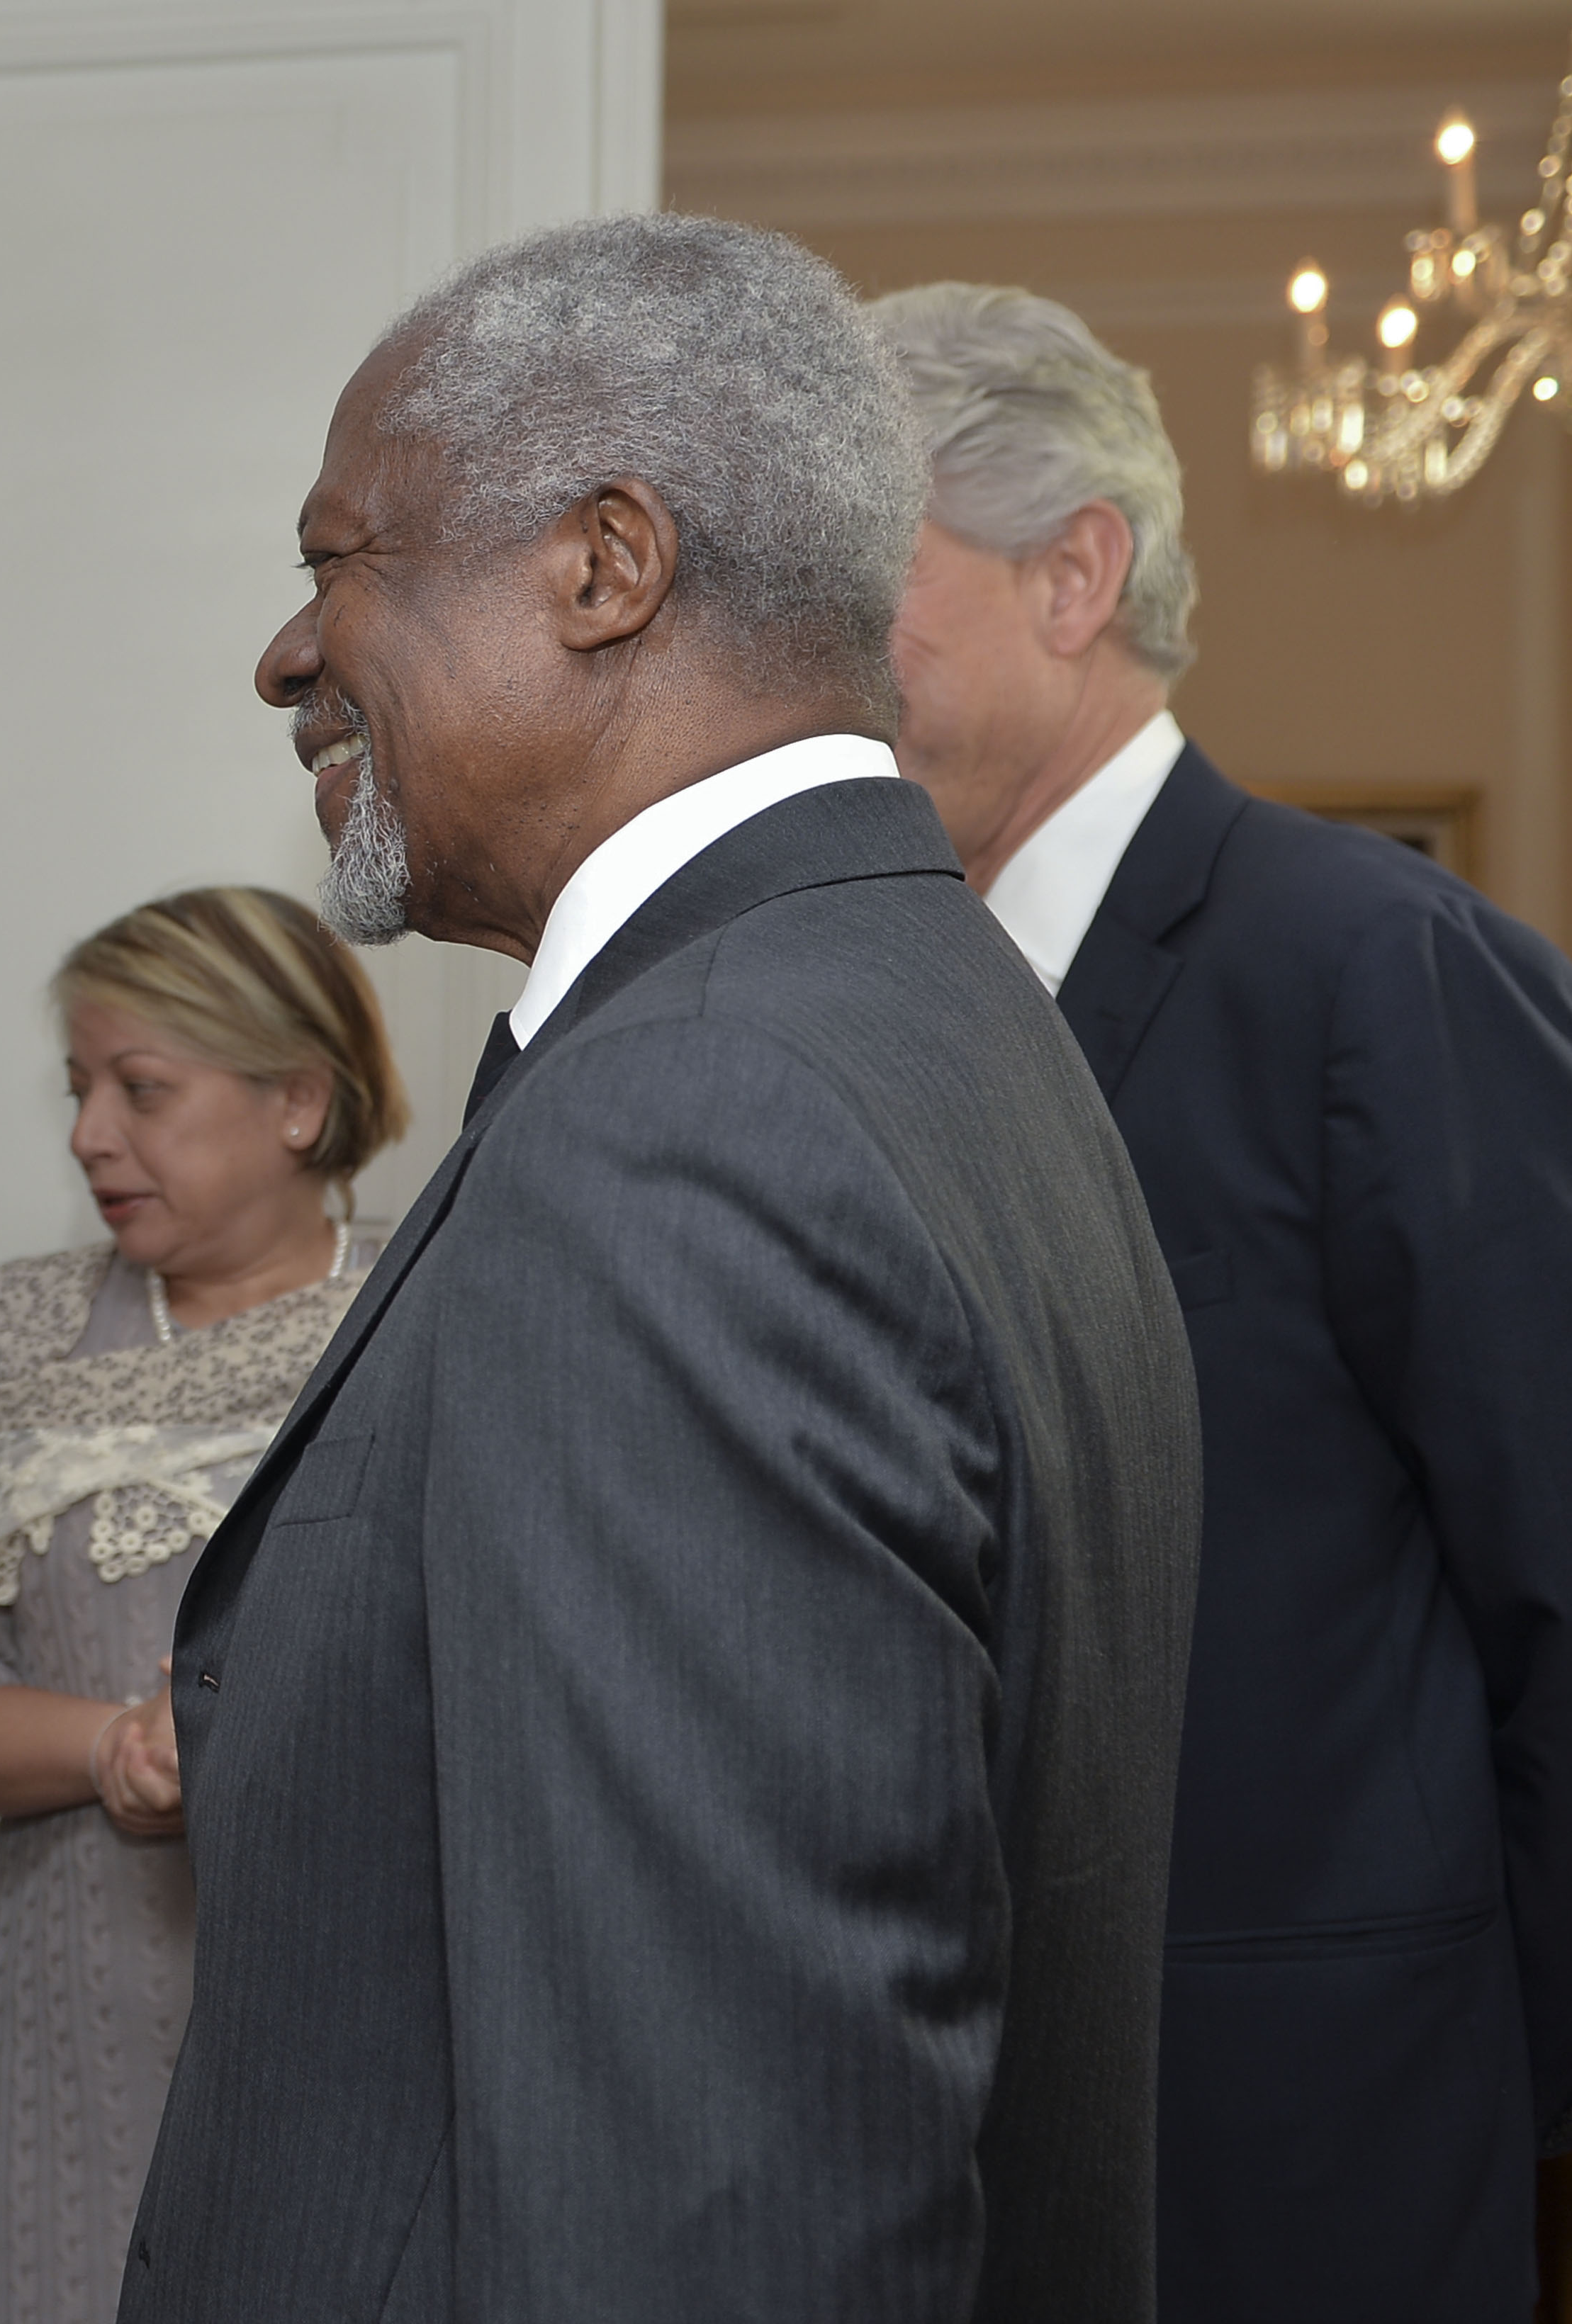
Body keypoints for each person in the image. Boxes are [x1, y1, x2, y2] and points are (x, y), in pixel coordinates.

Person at [119, 214, 1204, 2323]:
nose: (284, 649)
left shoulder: (692, 1123)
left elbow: (722, 2194)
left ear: (604, 567)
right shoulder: (936, 1010)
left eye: (341, 558)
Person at [870, 280, 1572, 2323]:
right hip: (929, 2146)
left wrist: (1487, 2061)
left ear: (1077, 576)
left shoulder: (1379, 971)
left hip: (1308, 2144)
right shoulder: (888, 1009)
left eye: (857, 585)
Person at [0, 886, 406, 2324]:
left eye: (142, 1089)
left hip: (363, 1994)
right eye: (80, 1089)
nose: (91, 1133)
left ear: (297, 1098)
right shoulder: (19, 1327)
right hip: (76, 2000)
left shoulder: (431, 1313)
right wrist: (113, 1748)